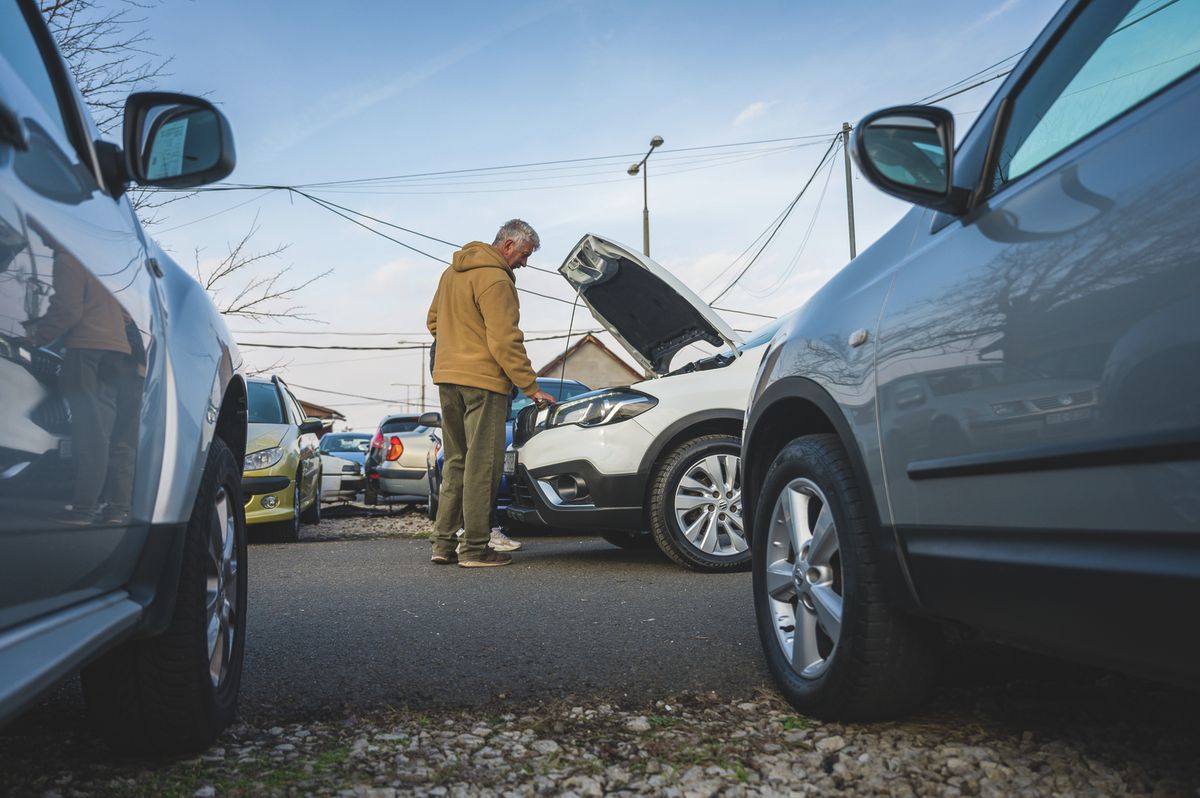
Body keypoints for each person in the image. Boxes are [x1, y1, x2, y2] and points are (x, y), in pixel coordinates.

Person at [426, 219, 556, 567]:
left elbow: (433, 321)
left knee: (455, 461)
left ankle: (442, 544)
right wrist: (531, 387)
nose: (524, 264)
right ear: (509, 245)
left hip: (447, 378)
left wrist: (458, 345)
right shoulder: (496, 279)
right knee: (483, 465)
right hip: (483, 382)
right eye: (524, 255)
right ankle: (474, 550)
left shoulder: (451, 273)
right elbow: (505, 340)